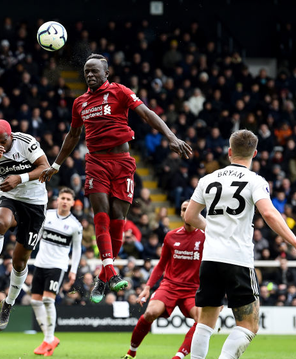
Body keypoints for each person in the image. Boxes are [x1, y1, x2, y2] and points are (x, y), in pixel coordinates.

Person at [40, 54, 192, 303]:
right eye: (87, 71)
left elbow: (146, 113)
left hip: (122, 162)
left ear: (106, 73)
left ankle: (103, 277)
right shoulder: (80, 103)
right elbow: (73, 134)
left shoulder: (119, 91)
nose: (89, 75)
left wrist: (171, 136)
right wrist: (56, 164)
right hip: (96, 162)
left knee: (118, 220)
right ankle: (110, 271)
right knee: (101, 213)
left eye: (94, 71)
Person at [184, 130, 296, 359]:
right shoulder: (255, 180)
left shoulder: (208, 179)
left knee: (205, 321)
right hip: (237, 260)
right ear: (254, 154)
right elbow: (268, 213)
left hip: (210, 259)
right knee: (249, 324)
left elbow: (189, 216)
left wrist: (214, 231)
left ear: (229, 151)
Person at [0, 119, 50, 331]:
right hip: (10, 196)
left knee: (19, 262)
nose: (0, 144)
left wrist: (20, 178)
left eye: (4, 141)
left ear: (11, 136)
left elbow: (45, 167)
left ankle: (8, 303)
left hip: (35, 202)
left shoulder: (26, 142)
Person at [117, 201, 205, 359]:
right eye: (183, 209)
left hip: (192, 289)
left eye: (190, 209)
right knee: (150, 312)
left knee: (201, 321)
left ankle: (177, 358)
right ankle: (130, 354)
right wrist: (148, 287)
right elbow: (161, 265)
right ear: (180, 214)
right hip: (169, 286)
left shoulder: (205, 237)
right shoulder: (171, 236)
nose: (187, 212)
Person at [30, 187, 82, 357]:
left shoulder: (75, 226)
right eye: (63, 198)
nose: (65, 201)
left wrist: (73, 270)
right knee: (35, 302)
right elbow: (37, 234)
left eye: (68, 199)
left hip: (57, 266)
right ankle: (49, 339)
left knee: (47, 300)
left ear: (73, 203)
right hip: (40, 264)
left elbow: (77, 250)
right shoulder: (47, 215)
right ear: (57, 199)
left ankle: (49, 338)